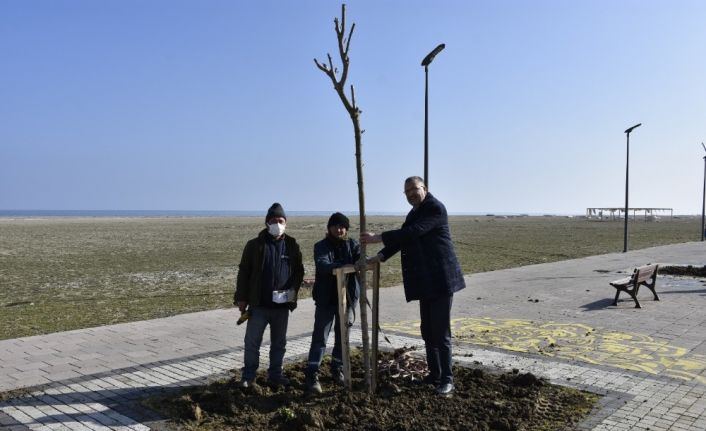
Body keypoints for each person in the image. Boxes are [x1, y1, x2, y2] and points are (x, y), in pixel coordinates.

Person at [361, 176, 465, 396]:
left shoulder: (435, 208)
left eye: (414, 189)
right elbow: (402, 240)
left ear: (424, 188)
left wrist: (377, 237)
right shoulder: (413, 213)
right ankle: (434, 375)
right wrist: (379, 257)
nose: (410, 194)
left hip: (441, 280)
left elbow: (413, 232)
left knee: (440, 332)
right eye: (407, 192)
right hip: (426, 281)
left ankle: (447, 379)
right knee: (427, 330)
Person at [234, 202, 304, 388]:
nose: (277, 224)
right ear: (266, 223)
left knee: (279, 344)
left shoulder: (292, 245)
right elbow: (244, 272)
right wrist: (241, 298)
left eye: (280, 220)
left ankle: (275, 375)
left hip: (281, 307)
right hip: (258, 305)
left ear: (286, 222)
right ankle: (248, 376)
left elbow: (299, 271)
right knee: (252, 342)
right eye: (273, 220)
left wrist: (293, 291)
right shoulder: (254, 245)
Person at [304, 212, 360, 393]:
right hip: (326, 299)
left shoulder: (352, 245)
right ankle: (312, 373)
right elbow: (323, 265)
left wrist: (359, 260)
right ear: (329, 228)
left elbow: (360, 260)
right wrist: (342, 264)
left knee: (342, 337)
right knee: (320, 336)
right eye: (335, 225)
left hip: (348, 299)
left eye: (343, 226)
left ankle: (338, 368)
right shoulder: (321, 246)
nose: (339, 229)